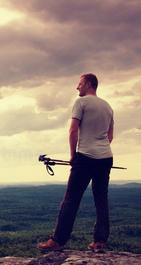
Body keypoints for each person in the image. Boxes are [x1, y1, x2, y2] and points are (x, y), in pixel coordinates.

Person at [38, 73, 114, 253]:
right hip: (105, 158)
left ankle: (58, 240)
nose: (77, 87)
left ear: (88, 84)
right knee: (101, 198)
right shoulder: (108, 107)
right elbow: (109, 137)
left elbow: (73, 131)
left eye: (79, 84)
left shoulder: (81, 103)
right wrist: (100, 149)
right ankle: (100, 242)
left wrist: (73, 156)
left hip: (85, 156)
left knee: (71, 199)